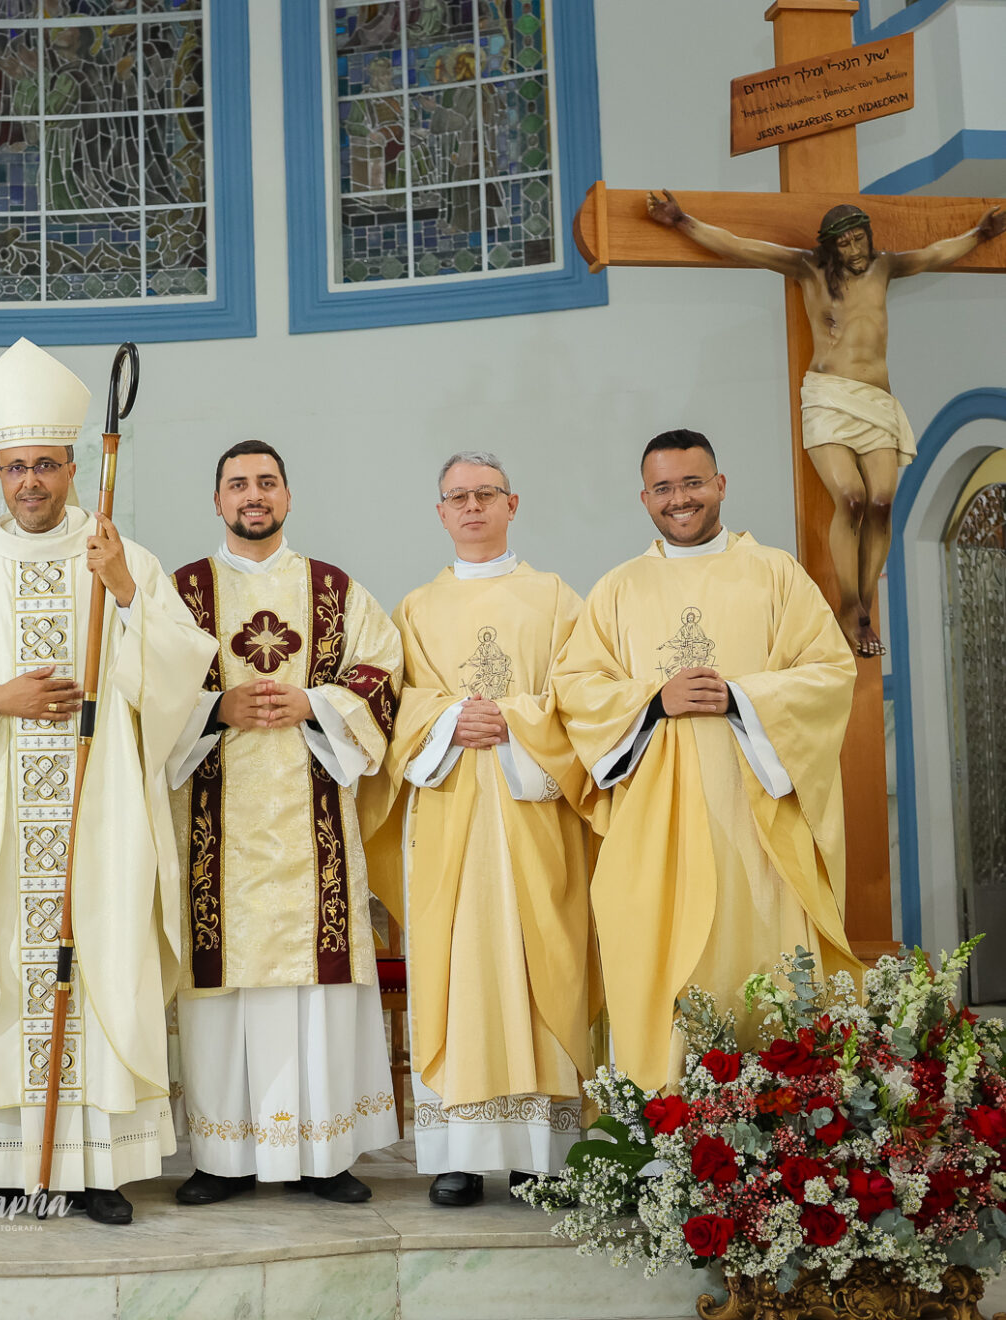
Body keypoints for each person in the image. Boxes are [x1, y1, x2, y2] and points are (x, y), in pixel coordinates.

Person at [0, 338, 216, 1227]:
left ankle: (94, 1168)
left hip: (100, 808)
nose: (30, 481)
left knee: (103, 964)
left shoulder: (124, 557)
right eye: (15, 467)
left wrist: (120, 593)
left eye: (44, 464)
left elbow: (178, 676)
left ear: (73, 466)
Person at [553, 430, 860, 1093]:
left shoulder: (774, 573)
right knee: (659, 962)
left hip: (757, 822)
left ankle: (783, 1117)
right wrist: (653, 699)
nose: (679, 499)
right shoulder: (617, 589)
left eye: (693, 482)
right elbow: (576, 689)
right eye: (663, 488)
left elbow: (830, 672)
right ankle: (664, 1120)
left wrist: (743, 696)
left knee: (766, 961)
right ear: (644, 498)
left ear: (720, 485)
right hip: (656, 829)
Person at [165, 439, 405, 1209]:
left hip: (314, 837)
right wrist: (215, 707)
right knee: (221, 991)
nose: (253, 496)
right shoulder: (181, 594)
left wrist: (314, 703)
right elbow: (142, 688)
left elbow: (381, 671)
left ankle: (325, 1153)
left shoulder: (335, 590)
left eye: (266, 483)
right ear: (217, 501)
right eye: (237, 484)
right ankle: (220, 1157)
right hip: (216, 837)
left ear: (288, 497)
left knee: (315, 987)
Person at [359, 451, 595, 1208]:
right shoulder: (417, 609)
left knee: (539, 964)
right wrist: (450, 718)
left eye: (485, 494)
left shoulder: (558, 599)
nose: (471, 507)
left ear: (512, 503)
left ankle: (540, 1152)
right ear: (440, 513)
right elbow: (397, 712)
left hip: (535, 815)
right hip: (451, 814)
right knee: (457, 971)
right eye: (456, 497)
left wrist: (518, 720)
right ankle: (458, 1152)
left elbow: (583, 699)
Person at [645, 190, 1005, 656]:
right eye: (847, 243)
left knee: (879, 502)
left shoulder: (884, 267)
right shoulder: (808, 269)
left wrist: (980, 234)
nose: (857, 251)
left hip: (876, 401)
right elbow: (741, 245)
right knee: (851, 499)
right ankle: (848, 605)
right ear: (830, 247)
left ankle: (864, 607)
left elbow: (935, 252)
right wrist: (681, 221)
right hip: (830, 398)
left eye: (861, 239)